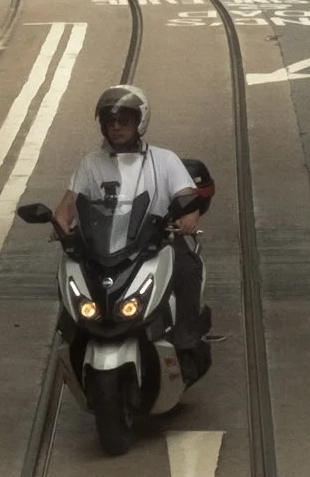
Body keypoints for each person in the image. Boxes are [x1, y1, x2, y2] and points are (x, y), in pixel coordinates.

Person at [53, 85, 213, 356]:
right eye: (110, 121)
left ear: (140, 122)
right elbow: (66, 207)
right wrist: (60, 226)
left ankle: (187, 340)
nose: (116, 127)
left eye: (123, 120)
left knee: (188, 268)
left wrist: (189, 216)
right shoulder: (90, 163)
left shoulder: (164, 159)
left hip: (156, 243)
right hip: (103, 248)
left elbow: (187, 195)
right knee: (70, 274)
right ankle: (72, 335)